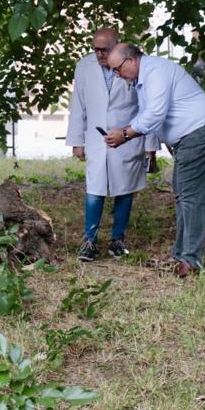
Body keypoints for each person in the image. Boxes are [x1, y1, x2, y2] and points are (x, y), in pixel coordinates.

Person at [105, 42, 205, 278]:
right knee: (184, 195)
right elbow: (149, 116)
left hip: (202, 132)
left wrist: (124, 134)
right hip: (196, 135)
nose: (117, 74)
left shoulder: (155, 71)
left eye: (117, 68)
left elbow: (154, 115)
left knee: (190, 197)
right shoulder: (144, 79)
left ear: (131, 60)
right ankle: (181, 255)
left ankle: (190, 261)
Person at [65, 28, 159, 262]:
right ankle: (89, 241)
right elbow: (78, 105)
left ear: (117, 45)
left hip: (129, 136)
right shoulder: (84, 66)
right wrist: (77, 141)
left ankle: (117, 240)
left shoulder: (135, 66)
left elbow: (149, 108)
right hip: (96, 137)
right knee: (94, 190)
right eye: (95, 49)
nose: (99, 54)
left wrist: (151, 145)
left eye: (104, 50)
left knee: (124, 189)